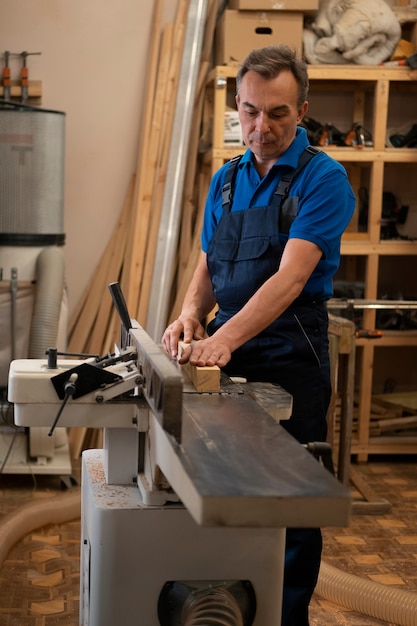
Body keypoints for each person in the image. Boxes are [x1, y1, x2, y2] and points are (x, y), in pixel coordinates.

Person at [162, 45, 356, 626]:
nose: (260, 128)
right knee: (222, 493)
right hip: (229, 352)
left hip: (291, 352)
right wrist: (191, 315)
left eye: (276, 114)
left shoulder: (325, 178)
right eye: (249, 112)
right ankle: (223, 610)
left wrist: (224, 340)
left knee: (290, 504)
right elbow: (209, 264)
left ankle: (284, 616)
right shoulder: (226, 180)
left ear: (302, 109)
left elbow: (290, 278)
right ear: (237, 105)